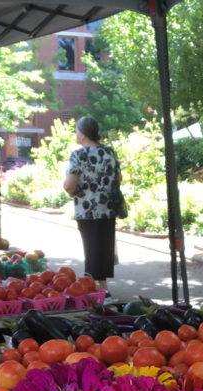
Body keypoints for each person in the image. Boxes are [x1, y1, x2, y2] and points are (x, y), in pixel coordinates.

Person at [63, 116, 120, 291]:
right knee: (104, 246)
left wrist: (71, 190)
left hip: (86, 209)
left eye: (76, 131)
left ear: (83, 134)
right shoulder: (109, 152)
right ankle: (103, 287)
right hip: (108, 208)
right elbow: (119, 178)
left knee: (91, 247)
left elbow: (70, 184)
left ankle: (94, 289)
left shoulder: (78, 155)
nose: (76, 134)